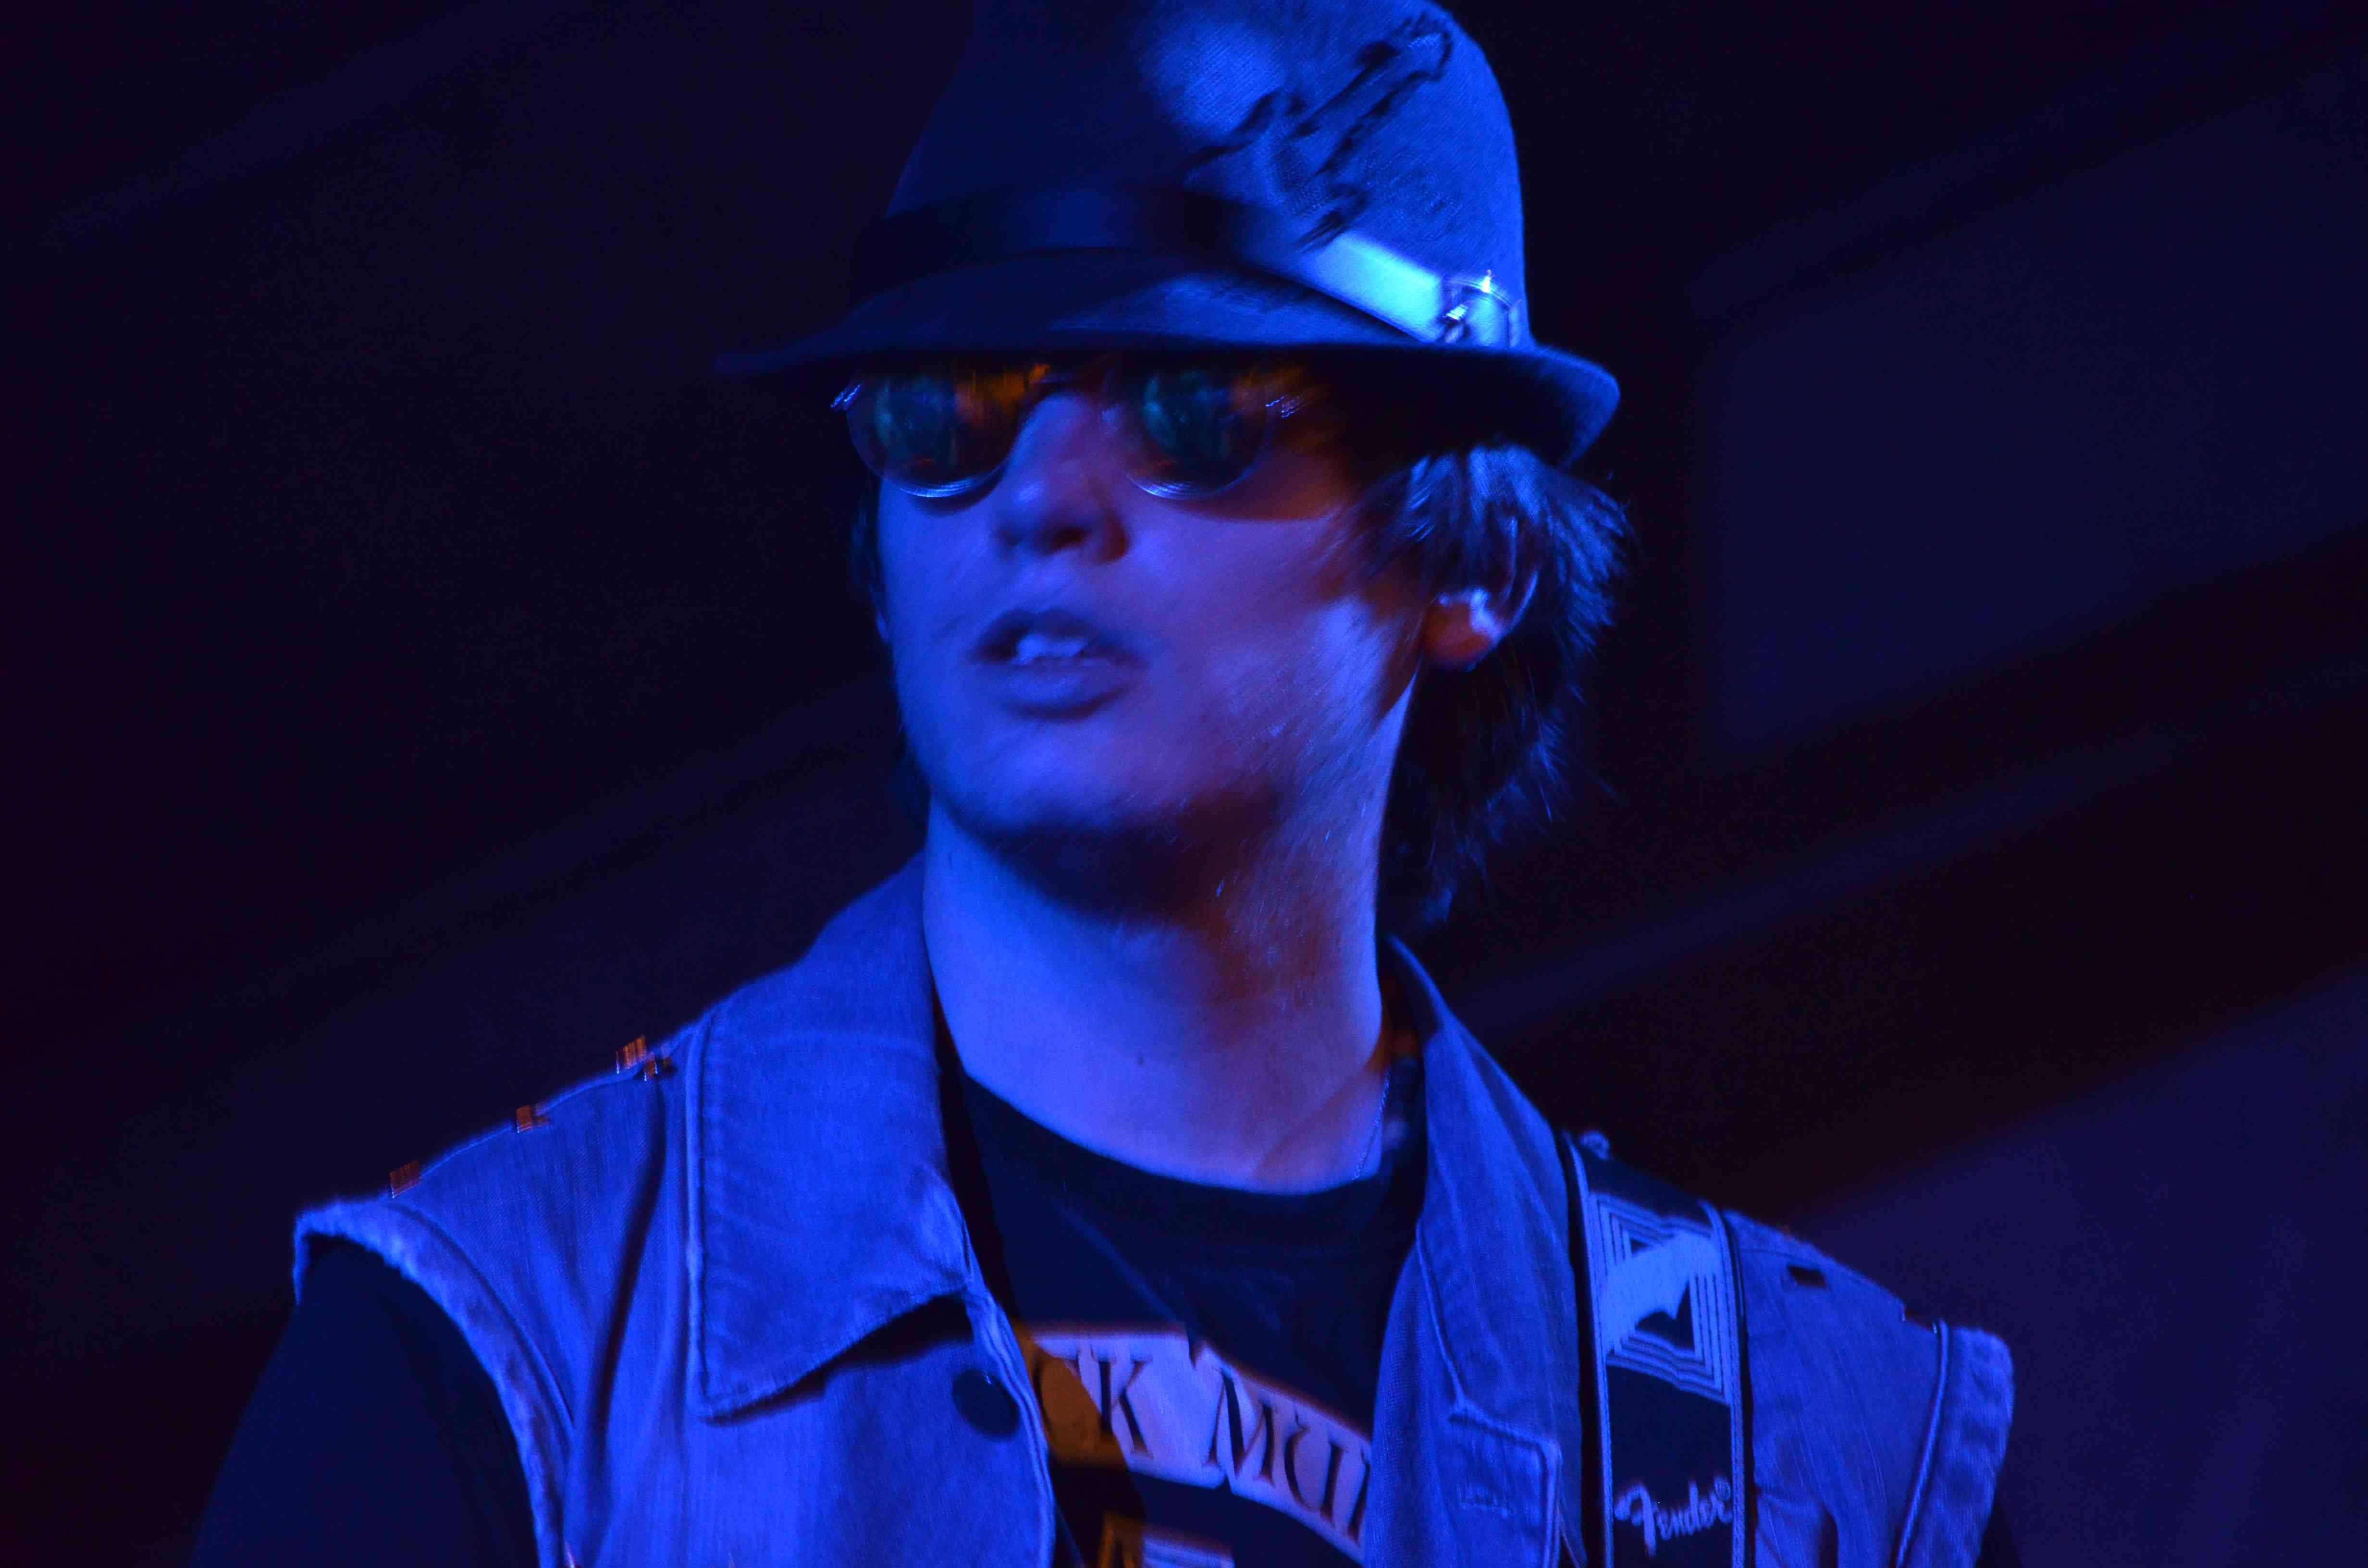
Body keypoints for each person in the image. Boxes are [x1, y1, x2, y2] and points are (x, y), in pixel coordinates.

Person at [197, 1, 2015, 1564]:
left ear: (1475, 560)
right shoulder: (504, 1341)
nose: (1043, 499)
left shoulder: (1818, 1456)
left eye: (1190, 408)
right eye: (945, 413)